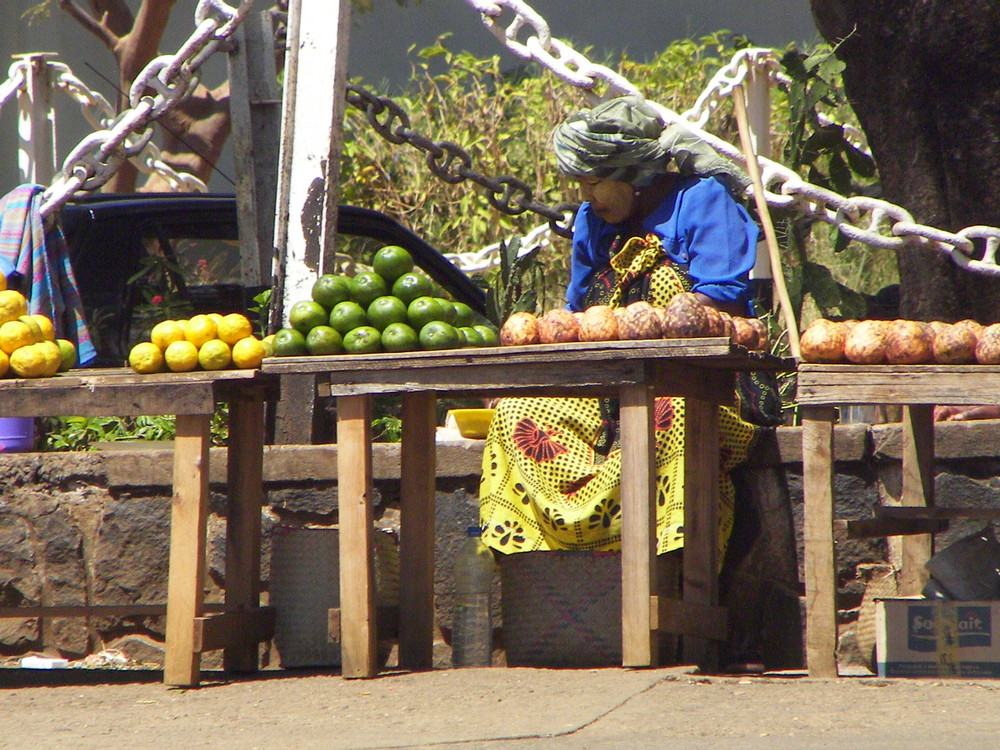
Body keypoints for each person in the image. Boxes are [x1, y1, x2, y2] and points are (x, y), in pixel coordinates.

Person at [478, 95, 782, 563]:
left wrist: (653, 327)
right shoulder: (591, 221)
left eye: (595, 182)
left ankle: (669, 567)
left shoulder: (701, 201)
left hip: (706, 391)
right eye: (579, 184)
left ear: (636, 173)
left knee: (669, 415)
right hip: (607, 395)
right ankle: (551, 563)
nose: (586, 196)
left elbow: (719, 296)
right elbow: (578, 313)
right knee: (516, 414)